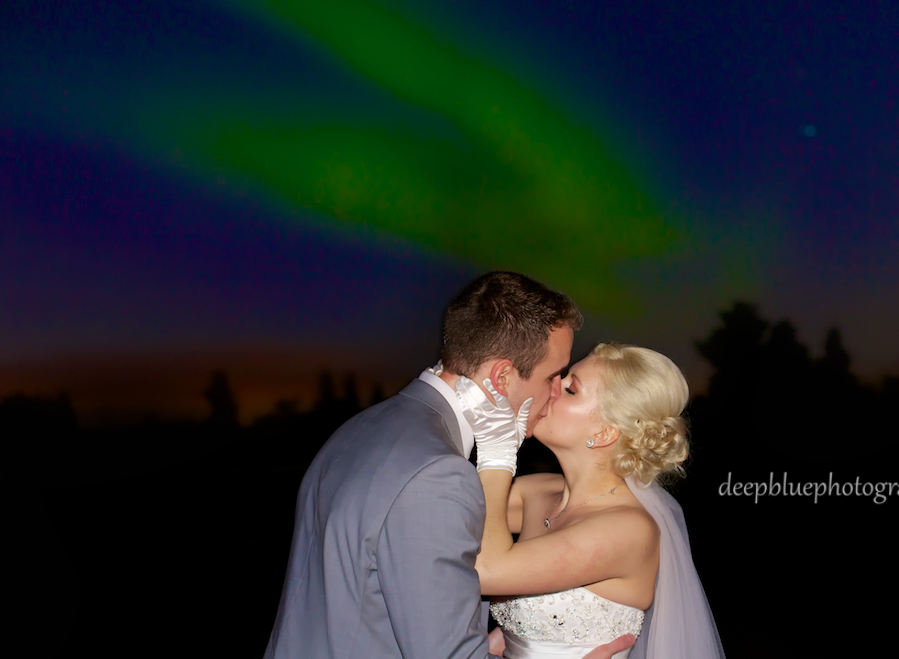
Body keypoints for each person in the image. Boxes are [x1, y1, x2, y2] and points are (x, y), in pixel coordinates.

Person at [263, 271, 634, 659]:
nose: (555, 391)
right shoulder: (438, 474)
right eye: (552, 376)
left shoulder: (362, 426)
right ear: (502, 377)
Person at [457, 343, 725, 658]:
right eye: (560, 378)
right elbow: (446, 517)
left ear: (604, 433)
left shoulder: (628, 529)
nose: (553, 388)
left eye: (571, 389)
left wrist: (497, 453)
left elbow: (486, 569)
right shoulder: (537, 491)